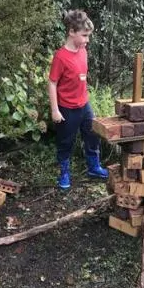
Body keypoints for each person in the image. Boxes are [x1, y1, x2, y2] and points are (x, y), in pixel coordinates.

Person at [48, 10, 109, 190]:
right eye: (84, 35)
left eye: (88, 36)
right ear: (72, 32)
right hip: (66, 108)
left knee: (92, 135)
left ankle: (94, 167)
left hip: (84, 105)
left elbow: (81, 76)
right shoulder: (60, 57)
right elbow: (52, 83)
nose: (87, 40)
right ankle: (64, 173)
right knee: (65, 141)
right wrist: (55, 110)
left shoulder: (83, 51)